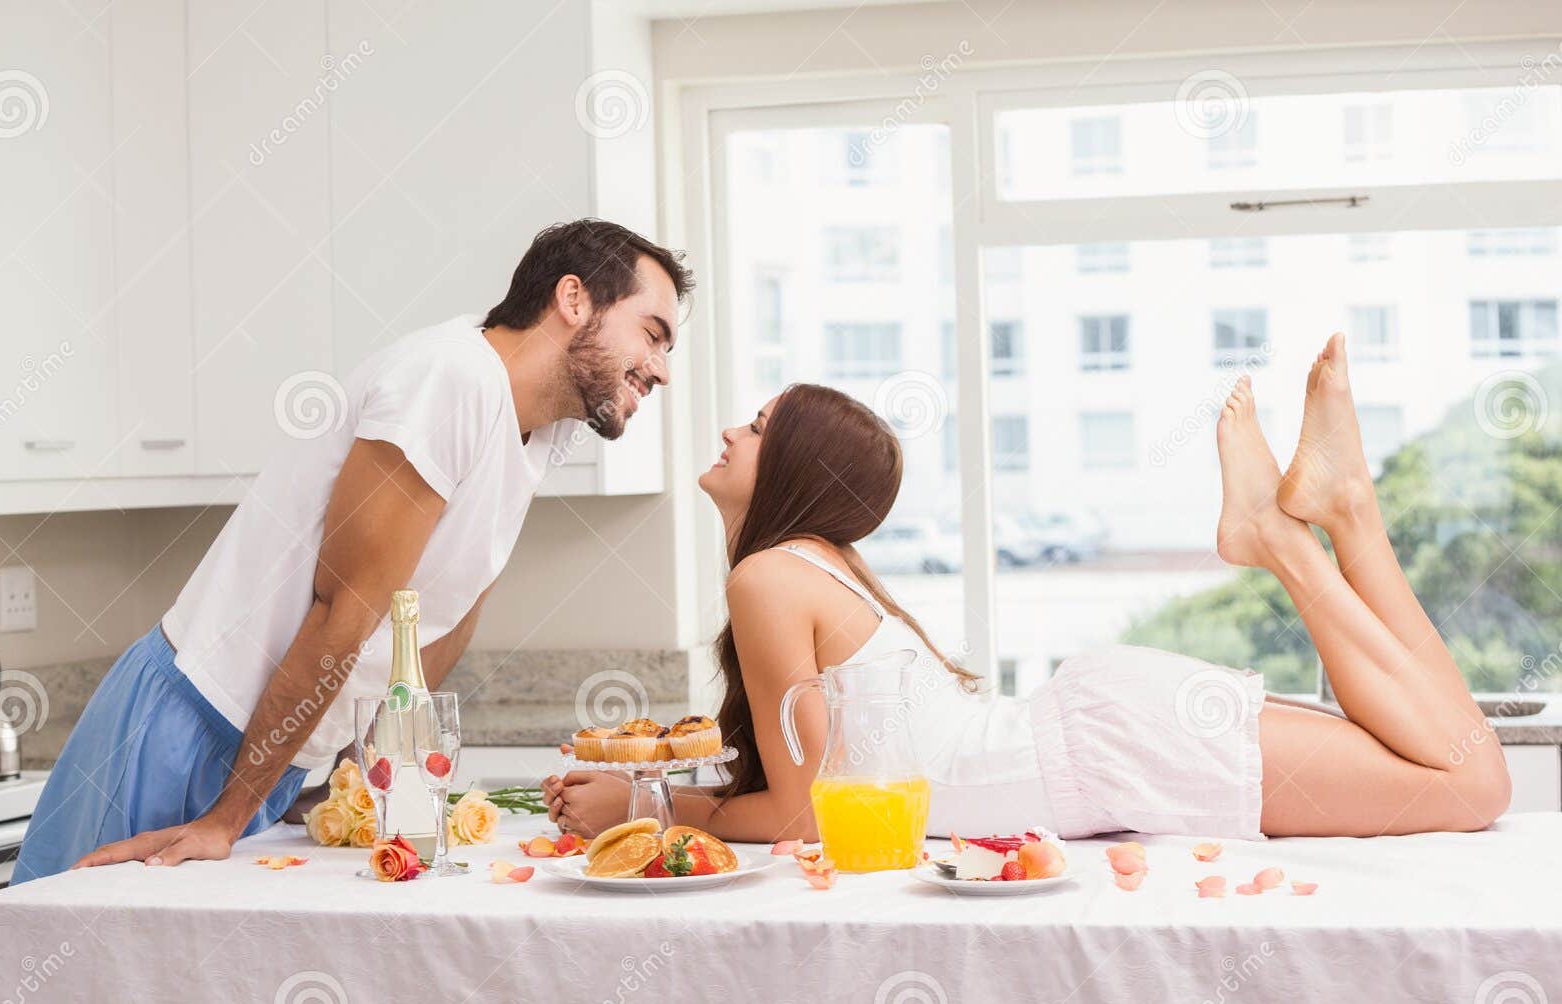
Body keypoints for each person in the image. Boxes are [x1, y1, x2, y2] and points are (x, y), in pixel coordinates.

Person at [546, 334, 1511, 842]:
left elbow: (798, 818)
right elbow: (807, 784)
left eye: (756, 426)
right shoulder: (811, 572)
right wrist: (646, 790)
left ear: (793, 467)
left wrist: (645, 808)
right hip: (1105, 735)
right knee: (1458, 767)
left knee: (1471, 780)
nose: (728, 432)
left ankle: (1301, 534)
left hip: (1107, 746)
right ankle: (1344, 516)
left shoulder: (770, 575)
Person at [14, 219, 693, 882]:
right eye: (652, 334)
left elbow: (434, 621)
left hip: (266, 760)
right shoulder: (449, 379)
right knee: (69, 975)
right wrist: (226, 817)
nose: (661, 370)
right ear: (574, 300)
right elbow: (346, 606)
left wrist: (357, 778)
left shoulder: (541, 433)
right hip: (188, 723)